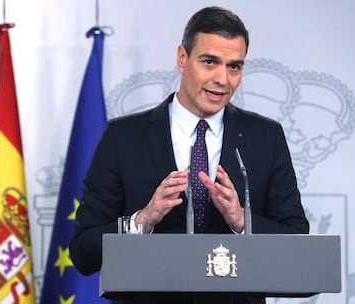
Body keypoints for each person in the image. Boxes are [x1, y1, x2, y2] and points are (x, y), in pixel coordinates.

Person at [70, 6, 309, 304]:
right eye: (210, 62)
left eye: (234, 66)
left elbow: (299, 246)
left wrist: (242, 222)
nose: (223, 79)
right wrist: (142, 221)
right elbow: (83, 252)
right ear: (182, 58)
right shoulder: (124, 137)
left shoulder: (266, 137)